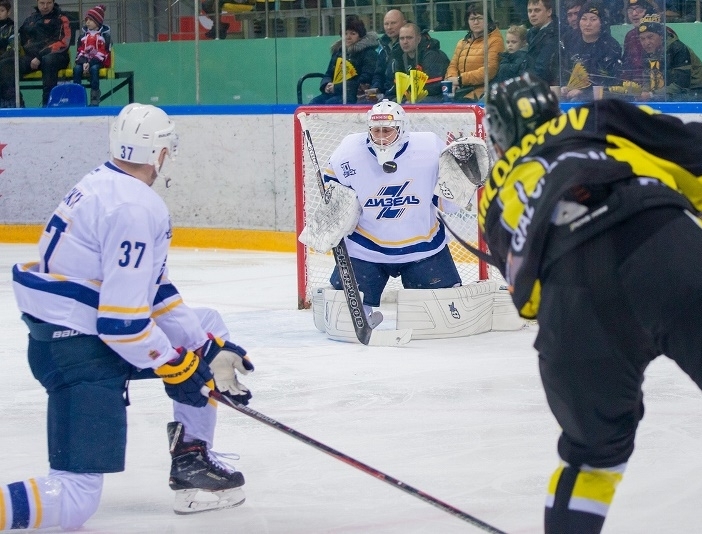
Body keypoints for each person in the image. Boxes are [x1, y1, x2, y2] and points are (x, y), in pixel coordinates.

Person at [480, 72, 702, 533]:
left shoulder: (493, 196)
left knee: (591, 459)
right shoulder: (594, 116)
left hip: (571, 299)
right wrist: (695, 199)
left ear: (498, 137)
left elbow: (527, 302)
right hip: (660, 243)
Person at [5, 104, 255, 530]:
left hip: (67, 336)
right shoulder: (136, 208)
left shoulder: (101, 183)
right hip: (79, 353)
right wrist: (175, 363)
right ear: (160, 153)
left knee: (207, 324)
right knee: (75, 499)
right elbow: (122, 325)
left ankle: (191, 460)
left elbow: (154, 290)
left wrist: (202, 347)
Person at [299, 99, 463, 327]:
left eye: (387, 130)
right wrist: (334, 213)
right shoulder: (349, 152)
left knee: (443, 318)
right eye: (376, 131)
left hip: (423, 248)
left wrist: (463, 179)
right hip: (365, 249)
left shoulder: (429, 148)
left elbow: (449, 205)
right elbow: (334, 192)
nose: (381, 137)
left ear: (402, 129)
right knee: (343, 321)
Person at [0, 0, 70, 107]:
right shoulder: (30, 19)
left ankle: (48, 104)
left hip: (56, 56)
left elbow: (63, 42)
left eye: (49, 3)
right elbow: (20, 38)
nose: (45, 6)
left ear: (53, 3)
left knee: (48, 60)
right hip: (32, 58)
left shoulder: (61, 18)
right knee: (5, 64)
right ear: (37, 3)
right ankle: (15, 103)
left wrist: (40, 56)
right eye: (42, 3)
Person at [636, 21, 702, 101]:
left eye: (650, 37)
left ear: (661, 36)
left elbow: (681, 85)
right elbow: (648, 79)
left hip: (701, 90)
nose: (646, 43)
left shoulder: (677, 48)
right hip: (674, 91)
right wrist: (642, 92)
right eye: (642, 39)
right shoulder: (648, 52)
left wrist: (651, 94)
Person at [560, 1, 622, 101]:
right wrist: (564, 86)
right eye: (584, 19)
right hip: (571, 97)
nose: (587, 24)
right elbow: (564, 70)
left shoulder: (611, 46)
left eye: (593, 19)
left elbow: (612, 82)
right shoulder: (569, 41)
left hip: (601, 101)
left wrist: (584, 92)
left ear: (601, 22)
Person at [310, 15, 378, 105]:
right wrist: (326, 84)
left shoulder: (369, 53)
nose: (348, 37)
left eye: (352, 34)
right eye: (345, 33)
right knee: (314, 103)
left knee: (331, 103)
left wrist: (337, 87)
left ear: (360, 36)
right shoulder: (338, 52)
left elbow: (364, 80)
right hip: (335, 92)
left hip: (355, 95)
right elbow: (329, 73)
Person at [444, 3, 504, 101]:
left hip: (482, 91)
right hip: (459, 89)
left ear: (488, 21)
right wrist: (452, 80)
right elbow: (452, 66)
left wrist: (460, 80)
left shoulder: (495, 40)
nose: (476, 22)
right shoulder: (462, 42)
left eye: (480, 18)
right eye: (472, 19)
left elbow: (490, 70)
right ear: (467, 22)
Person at [394, 22, 450, 102]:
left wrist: (410, 99)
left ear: (418, 39)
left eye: (409, 38)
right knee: (391, 102)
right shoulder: (399, 56)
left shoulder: (432, 55)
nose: (405, 42)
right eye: (402, 38)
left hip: (439, 96)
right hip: (414, 96)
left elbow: (433, 87)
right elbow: (397, 84)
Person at [72, 4, 112, 106]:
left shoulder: (104, 37)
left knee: (94, 69)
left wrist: (90, 63)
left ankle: (94, 96)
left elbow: (103, 54)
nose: (87, 22)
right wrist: (84, 62)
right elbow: (80, 52)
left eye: (91, 20)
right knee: (77, 69)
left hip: (98, 62)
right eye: (86, 20)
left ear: (98, 22)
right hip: (84, 62)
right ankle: (77, 96)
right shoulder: (83, 37)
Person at [619, 0, 662, 85]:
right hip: (635, 87)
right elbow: (626, 66)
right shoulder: (630, 36)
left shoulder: (663, 32)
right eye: (630, 10)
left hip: (657, 87)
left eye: (639, 10)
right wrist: (624, 84)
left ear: (649, 11)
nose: (634, 14)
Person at [371, 9, 407, 101]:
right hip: (386, 95)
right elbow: (378, 73)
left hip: (400, 95)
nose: (389, 27)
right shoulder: (383, 47)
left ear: (404, 23)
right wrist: (375, 89)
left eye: (393, 23)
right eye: (386, 24)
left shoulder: (407, 46)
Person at [525, 0, 560, 85]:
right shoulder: (531, 33)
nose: (532, 14)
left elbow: (543, 69)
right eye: (530, 11)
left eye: (537, 10)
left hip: (546, 86)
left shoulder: (555, 34)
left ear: (549, 12)